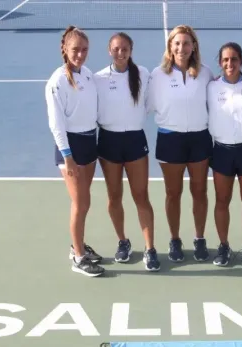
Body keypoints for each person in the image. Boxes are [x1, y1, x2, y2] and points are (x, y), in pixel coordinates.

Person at [147, 24, 215, 263]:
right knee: (172, 193)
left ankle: (199, 238)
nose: (181, 48)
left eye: (186, 43)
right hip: (169, 139)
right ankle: (175, 239)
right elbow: (147, 105)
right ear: (170, 47)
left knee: (200, 192)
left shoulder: (205, 73)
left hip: (199, 140)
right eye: (177, 43)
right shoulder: (157, 75)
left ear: (193, 46)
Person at [93, 32, 160, 271]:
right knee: (114, 197)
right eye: (116, 49)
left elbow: (150, 105)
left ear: (131, 50)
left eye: (125, 49)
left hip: (134, 141)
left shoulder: (142, 74)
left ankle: (150, 249)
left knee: (141, 196)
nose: (120, 53)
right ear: (109, 50)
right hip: (108, 143)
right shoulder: (98, 78)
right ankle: (123, 242)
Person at [45, 25, 105, 277]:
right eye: (75, 50)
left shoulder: (88, 74)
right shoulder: (57, 81)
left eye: (84, 50)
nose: (80, 54)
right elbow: (56, 124)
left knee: (84, 201)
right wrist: (68, 156)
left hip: (90, 143)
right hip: (71, 147)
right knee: (80, 203)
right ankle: (79, 257)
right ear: (65, 50)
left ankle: (77, 245)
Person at [206, 42, 242, 268]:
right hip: (221, 150)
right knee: (222, 201)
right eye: (225, 60)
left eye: (234, 59)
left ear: (241, 61)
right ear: (220, 63)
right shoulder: (211, 87)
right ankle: (223, 246)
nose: (230, 64)